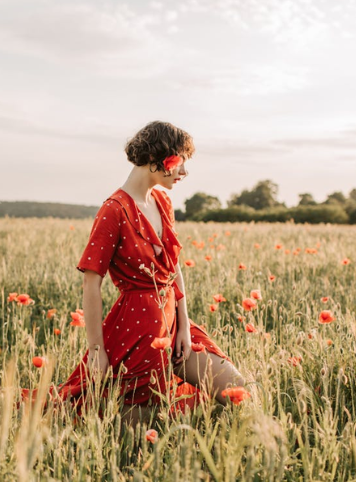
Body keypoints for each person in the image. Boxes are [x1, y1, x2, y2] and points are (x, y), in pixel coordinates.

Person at [58, 121, 245, 428]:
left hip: (174, 322)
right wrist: (96, 350)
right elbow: (91, 283)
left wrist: (184, 325)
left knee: (237, 390)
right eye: (180, 163)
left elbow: (174, 266)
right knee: (144, 422)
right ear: (159, 158)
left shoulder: (162, 201)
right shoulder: (114, 210)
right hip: (137, 330)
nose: (183, 174)